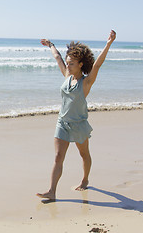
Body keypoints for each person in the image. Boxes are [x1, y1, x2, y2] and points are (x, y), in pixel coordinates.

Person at [37, 30, 116, 200]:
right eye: (68, 63)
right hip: (63, 123)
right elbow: (57, 58)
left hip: (79, 124)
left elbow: (98, 64)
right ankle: (51, 191)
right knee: (58, 157)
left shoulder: (86, 82)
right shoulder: (67, 75)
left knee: (84, 154)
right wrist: (51, 45)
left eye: (72, 63)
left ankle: (85, 179)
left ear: (81, 64)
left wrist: (108, 43)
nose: (68, 66)